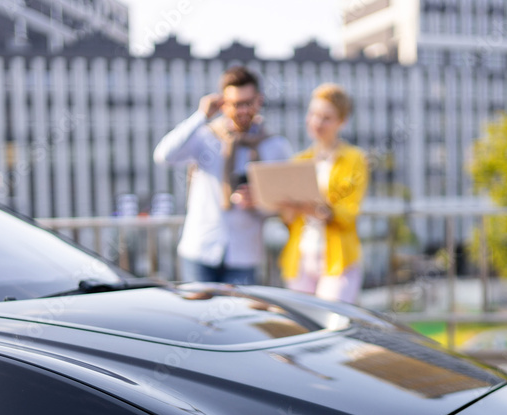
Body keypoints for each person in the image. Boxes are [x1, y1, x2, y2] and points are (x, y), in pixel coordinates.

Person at [154, 66, 292, 285]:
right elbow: (163, 155)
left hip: (245, 255)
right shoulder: (206, 137)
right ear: (223, 104)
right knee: (197, 318)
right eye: (236, 104)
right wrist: (202, 115)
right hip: (200, 250)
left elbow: (285, 202)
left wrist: (259, 202)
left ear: (259, 101)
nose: (243, 110)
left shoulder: (276, 146)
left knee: (238, 317)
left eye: (248, 103)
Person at [277, 83, 368, 304]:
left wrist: (319, 209)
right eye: (314, 115)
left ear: (341, 122)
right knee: (303, 327)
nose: (317, 122)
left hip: (337, 259)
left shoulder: (354, 159)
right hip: (301, 258)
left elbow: (349, 213)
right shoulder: (299, 161)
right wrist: (287, 207)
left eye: (326, 118)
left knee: (332, 323)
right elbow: (289, 221)